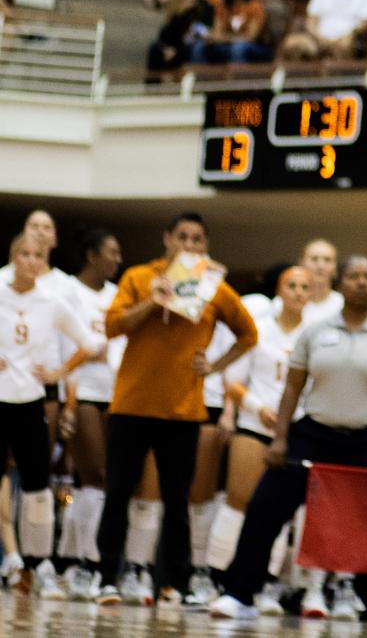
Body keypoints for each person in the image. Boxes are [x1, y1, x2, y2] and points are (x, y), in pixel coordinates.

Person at [207, 256, 367, 620]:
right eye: (354, 276)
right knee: (264, 507)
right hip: (313, 433)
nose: (362, 283)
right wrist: (279, 439)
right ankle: (240, 594)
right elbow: (292, 388)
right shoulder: (315, 330)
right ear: (340, 283)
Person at [94, 212, 258, 609]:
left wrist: (215, 366)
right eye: (182, 236)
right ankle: (107, 578)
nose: (189, 244)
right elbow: (113, 326)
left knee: (177, 501)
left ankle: (173, 583)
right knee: (117, 494)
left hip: (183, 410)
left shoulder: (212, 286)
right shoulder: (138, 276)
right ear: (167, 240)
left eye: (197, 239)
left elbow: (249, 333)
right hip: (131, 405)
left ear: (205, 246)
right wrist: (154, 300)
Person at [205, 266, 313, 612]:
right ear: (279, 290)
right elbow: (232, 382)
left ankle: (262, 585)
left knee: (277, 511)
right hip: (255, 423)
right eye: (291, 285)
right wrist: (257, 406)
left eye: (304, 287)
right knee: (238, 500)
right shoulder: (257, 330)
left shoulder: (315, 333)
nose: (297, 292)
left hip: (294, 430)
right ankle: (214, 576)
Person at [0, 233, 99, 590]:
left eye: (37, 255)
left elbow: (90, 342)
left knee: (37, 484)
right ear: (13, 257)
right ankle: (10, 559)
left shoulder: (52, 301)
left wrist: (59, 372)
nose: (30, 260)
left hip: (30, 400)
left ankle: (37, 561)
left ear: (44, 262)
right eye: (23, 253)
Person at [55, 227, 124, 599]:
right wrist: (69, 398)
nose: (117, 259)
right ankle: (89, 562)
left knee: (99, 480)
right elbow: (68, 345)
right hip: (80, 392)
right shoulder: (68, 291)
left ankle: (72, 559)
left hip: (115, 394)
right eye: (111, 251)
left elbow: (120, 345)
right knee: (93, 475)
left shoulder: (118, 295)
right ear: (91, 255)